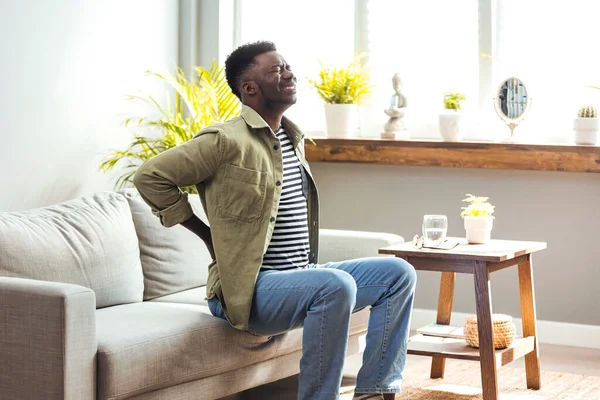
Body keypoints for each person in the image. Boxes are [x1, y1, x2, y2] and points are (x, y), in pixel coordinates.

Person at [133, 41, 417, 400]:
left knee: (398, 274)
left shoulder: (292, 138)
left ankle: (375, 392)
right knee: (336, 285)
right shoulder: (225, 139)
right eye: (276, 70)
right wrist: (207, 235)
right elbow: (150, 176)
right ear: (249, 88)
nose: (289, 74)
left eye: (288, 67)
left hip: (300, 275)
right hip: (250, 290)